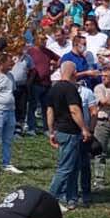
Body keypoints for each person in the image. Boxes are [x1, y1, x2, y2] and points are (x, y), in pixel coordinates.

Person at [45, 62, 89, 209]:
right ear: (74, 72)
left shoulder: (54, 88)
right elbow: (74, 110)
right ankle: (50, 200)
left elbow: (49, 112)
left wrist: (51, 132)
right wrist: (84, 128)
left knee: (74, 166)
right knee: (65, 168)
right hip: (70, 131)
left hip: (60, 131)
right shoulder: (70, 89)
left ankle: (71, 198)